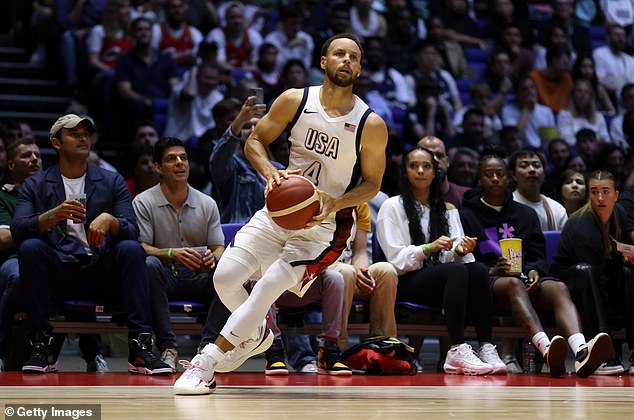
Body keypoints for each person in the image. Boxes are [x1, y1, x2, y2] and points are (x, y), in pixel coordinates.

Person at [174, 33, 388, 394]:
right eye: (339, 54)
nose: (347, 60)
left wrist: (334, 203)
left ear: (360, 67)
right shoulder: (295, 100)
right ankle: (256, 334)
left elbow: (372, 183)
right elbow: (254, 141)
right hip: (281, 210)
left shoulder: (370, 123)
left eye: (354, 56)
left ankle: (206, 362)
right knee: (225, 278)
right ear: (324, 62)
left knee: (269, 286)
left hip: (325, 226)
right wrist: (271, 173)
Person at [10, 114, 171, 375]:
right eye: (74, 133)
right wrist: (53, 215)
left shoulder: (111, 180)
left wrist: (111, 221)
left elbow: (132, 230)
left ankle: (140, 347)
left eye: (86, 132)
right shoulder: (36, 184)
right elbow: (18, 230)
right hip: (59, 272)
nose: (83, 137)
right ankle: (42, 345)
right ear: (56, 142)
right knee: (30, 248)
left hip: (100, 270)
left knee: (131, 249)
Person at [460, 153, 612, 378]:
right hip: (491, 284)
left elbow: (538, 255)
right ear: (479, 179)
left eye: (499, 174)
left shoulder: (526, 214)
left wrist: (534, 271)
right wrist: (491, 270)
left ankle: (581, 350)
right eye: (488, 175)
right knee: (513, 284)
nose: (494, 179)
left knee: (558, 287)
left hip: (526, 280)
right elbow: (466, 260)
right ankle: (547, 348)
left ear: (509, 178)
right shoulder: (467, 215)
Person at [376, 146, 506, 376]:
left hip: (440, 280)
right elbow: (395, 260)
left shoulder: (448, 209)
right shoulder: (392, 206)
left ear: (435, 173)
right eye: (413, 166)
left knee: (476, 269)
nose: (420, 171)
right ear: (405, 172)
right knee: (456, 271)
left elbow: (453, 256)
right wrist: (428, 248)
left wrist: (461, 249)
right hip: (405, 281)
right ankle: (456, 349)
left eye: (426, 166)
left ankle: (486, 346)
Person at [0, 139, 107, 372]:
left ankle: (92, 355)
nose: (34, 159)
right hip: (15, 258)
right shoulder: (3, 196)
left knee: (78, 271)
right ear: (10, 165)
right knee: (19, 278)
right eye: (26, 155)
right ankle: (2, 351)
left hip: (55, 255)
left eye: (37, 155)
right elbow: (3, 239)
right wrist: (39, 222)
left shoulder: (52, 190)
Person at [133, 137, 227, 372]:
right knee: (149, 265)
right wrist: (172, 253)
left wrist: (213, 257)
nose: (179, 163)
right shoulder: (143, 202)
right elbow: (141, 247)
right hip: (165, 276)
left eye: (183, 158)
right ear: (157, 167)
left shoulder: (207, 203)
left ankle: (207, 350)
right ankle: (168, 347)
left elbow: (219, 247)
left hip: (200, 275)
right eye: (171, 159)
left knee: (231, 273)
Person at [550, 170, 634, 375]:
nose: (600, 198)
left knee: (627, 272)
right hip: (572, 283)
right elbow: (597, 278)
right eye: (594, 192)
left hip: (604, 277)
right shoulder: (582, 225)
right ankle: (603, 355)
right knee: (586, 272)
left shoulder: (620, 213)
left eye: (606, 192)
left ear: (616, 194)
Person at [330, 202, 398, 349]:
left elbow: (360, 251)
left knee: (386, 271)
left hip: (348, 271)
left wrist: (361, 269)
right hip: (320, 273)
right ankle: (335, 347)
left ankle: (384, 345)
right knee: (345, 273)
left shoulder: (360, 204)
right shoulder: (315, 197)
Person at [510, 148, 568, 232]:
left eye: (536, 165)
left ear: (544, 174)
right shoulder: (506, 207)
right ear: (513, 175)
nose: (532, 170)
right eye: (524, 166)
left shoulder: (557, 209)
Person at [417, 136, 469, 208]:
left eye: (439, 156)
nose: (435, 160)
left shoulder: (467, 196)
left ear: (447, 162)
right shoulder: (405, 201)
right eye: (428, 156)